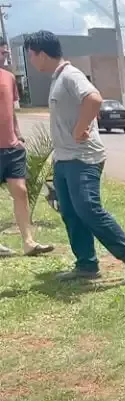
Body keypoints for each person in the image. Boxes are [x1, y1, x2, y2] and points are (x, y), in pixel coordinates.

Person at [24, 31, 125, 283]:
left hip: (83, 158)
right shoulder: (57, 78)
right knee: (70, 211)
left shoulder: (70, 75)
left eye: (31, 56)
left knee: (88, 209)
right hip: (64, 159)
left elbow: (94, 99)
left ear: (42, 54)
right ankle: (86, 264)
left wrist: (80, 128)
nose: (31, 62)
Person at [0, 36, 54, 258]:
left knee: (21, 192)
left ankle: (28, 242)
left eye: (5, 52)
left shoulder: (9, 78)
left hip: (11, 147)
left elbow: (11, 111)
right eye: (1, 52)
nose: (4, 56)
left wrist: (18, 135)